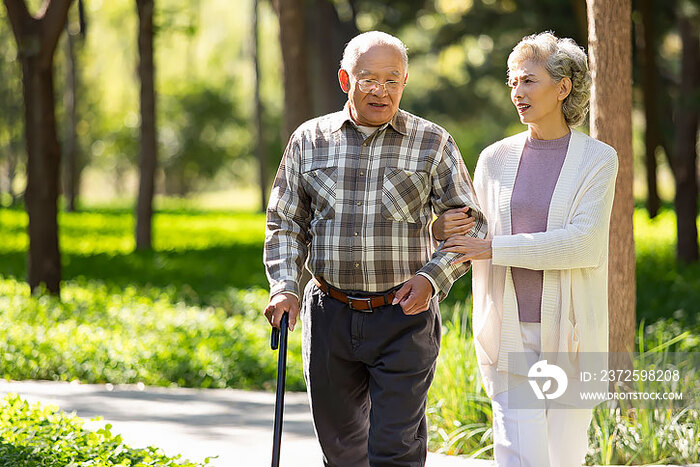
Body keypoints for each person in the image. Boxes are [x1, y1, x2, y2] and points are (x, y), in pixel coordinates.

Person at [263, 31, 487, 466]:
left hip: (404, 314)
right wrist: (285, 286)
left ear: (404, 83)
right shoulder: (309, 141)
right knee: (342, 450)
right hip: (330, 312)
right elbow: (285, 223)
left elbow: (469, 225)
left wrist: (431, 278)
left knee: (395, 448)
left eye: (392, 80)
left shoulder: (432, 142)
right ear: (346, 80)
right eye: (369, 79)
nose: (381, 90)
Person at [433, 32, 618, 467]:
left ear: (562, 87)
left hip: (572, 334)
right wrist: (436, 227)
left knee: (564, 457)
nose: (517, 92)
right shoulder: (494, 158)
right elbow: (466, 236)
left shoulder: (598, 159)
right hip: (509, 331)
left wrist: (493, 248)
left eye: (529, 81)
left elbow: (582, 244)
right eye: (513, 82)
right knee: (519, 457)